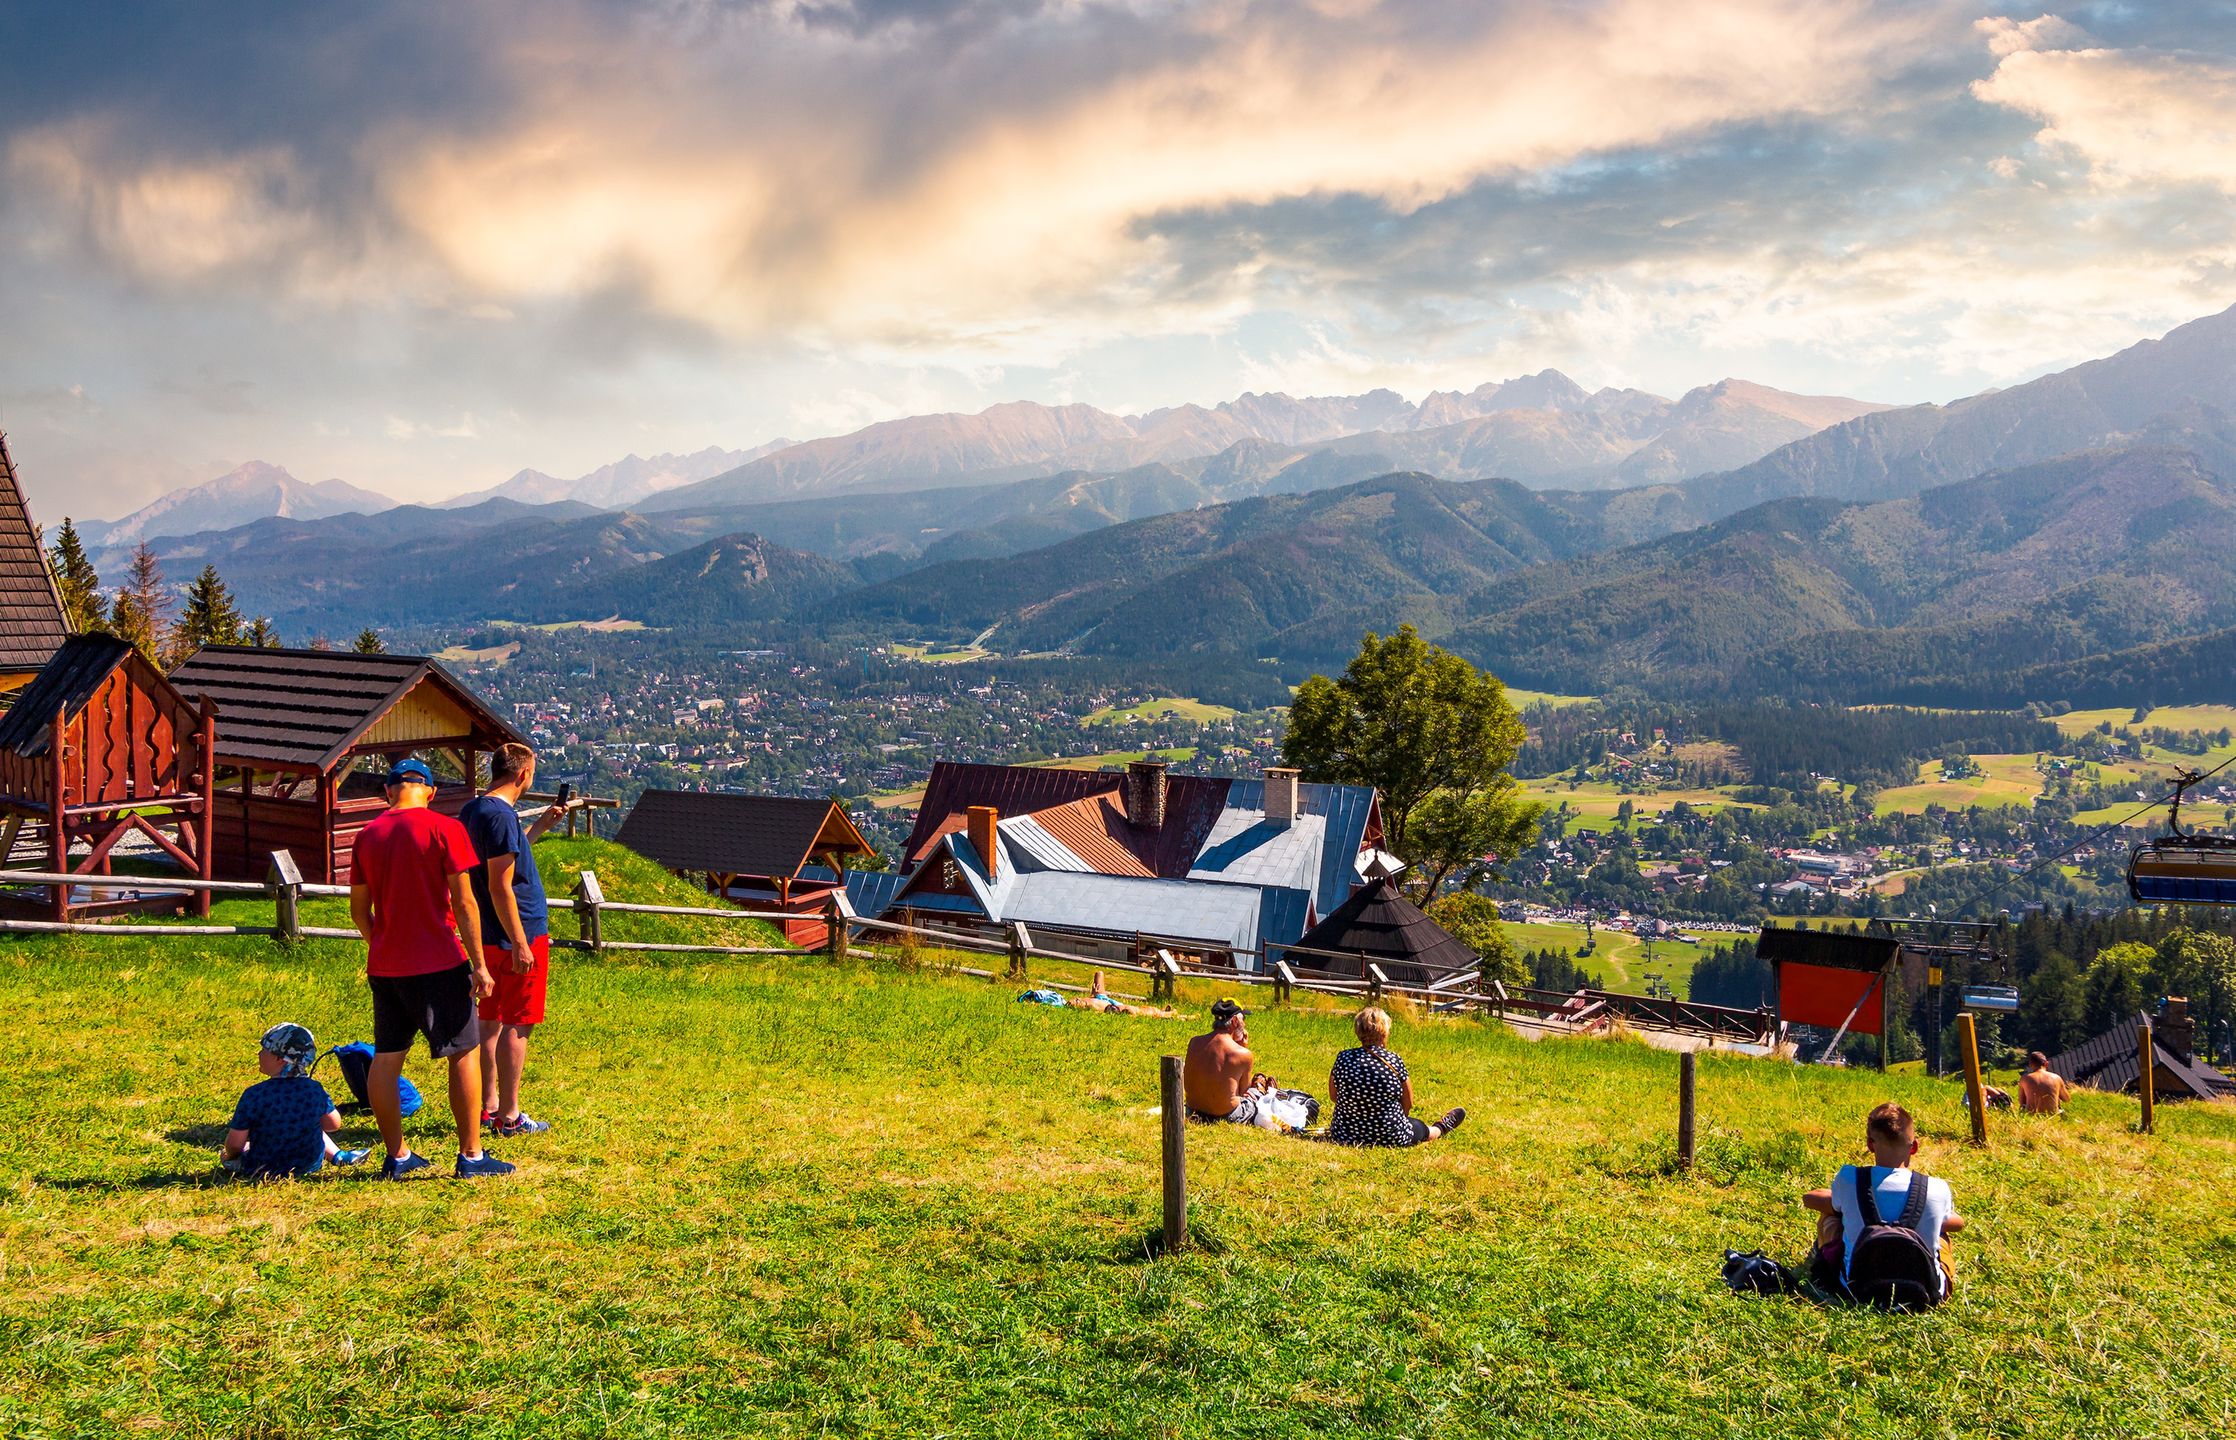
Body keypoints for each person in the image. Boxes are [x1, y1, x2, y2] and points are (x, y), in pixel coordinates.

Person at [350, 755, 513, 1180]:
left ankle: (398, 1156)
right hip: (439, 960)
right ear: (430, 791)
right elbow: (464, 902)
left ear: (388, 791)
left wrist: (383, 943)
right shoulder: (445, 829)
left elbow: (358, 911)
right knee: (463, 1052)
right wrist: (480, 965)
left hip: (386, 966)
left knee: (387, 1059)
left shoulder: (366, 835)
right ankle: (472, 1156)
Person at [459, 742, 571, 1139]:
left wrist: (540, 827)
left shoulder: (475, 810)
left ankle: (488, 1106)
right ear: (523, 774)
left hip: (487, 934)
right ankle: (510, 1115)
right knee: (518, 1022)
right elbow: (500, 884)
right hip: (515, 933)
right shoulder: (502, 816)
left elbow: (503, 855)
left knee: (488, 1019)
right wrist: (522, 942)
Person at [1801, 1102, 1965, 1300]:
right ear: (1914, 1147)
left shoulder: (1849, 1178)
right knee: (1942, 1237)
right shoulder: (1937, 1188)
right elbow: (1957, 1223)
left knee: (1831, 1221)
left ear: (1870, 1144)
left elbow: (1813, 1200)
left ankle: (1821, 1265)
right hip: (1925, 1294)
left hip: (1857, 1290)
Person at [221, 1023, 367, 1178]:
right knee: (312, 1124)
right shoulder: (314, 1090)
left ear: (280, 1059)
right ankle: (337, 1155)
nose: (259, 1054)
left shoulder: (254, 1094)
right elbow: (333, 1124)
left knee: (234, 1155)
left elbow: (235, 1144)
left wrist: (229, 1155)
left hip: (262, 1166)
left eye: (264, 1050)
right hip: (308, 1165)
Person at [1326, 1006, 1465, 1147]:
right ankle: (1440, 1128)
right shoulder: (1393, 1060)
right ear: (1384, 1032)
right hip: (1390, 1136)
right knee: (1419, 1127)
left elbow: (1333, 1096)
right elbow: (1408, 1102)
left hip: (1345, 1134)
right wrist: (1398, 1118)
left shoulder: (1343, 1058)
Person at [1183, 998, 1280, 1127]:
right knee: (1254, 1096)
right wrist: (1243, 1048)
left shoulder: (1194, 1042)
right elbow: (1242, 1093)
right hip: (1226, 1114)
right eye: (1243, 1020)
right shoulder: (1243, 1054)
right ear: (1235, 1021)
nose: (1244, 1025)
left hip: (1193, 1111)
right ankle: (1262, 1091)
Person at [2017, 1050, 2072, 1115]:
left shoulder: (2024, 1079)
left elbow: (2022, 1103)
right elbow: (2067, 1099)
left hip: (2032, 1116)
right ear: (2046, 1063)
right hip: (2053, 1116)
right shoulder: (2056, 1077)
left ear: (2030, 1065)